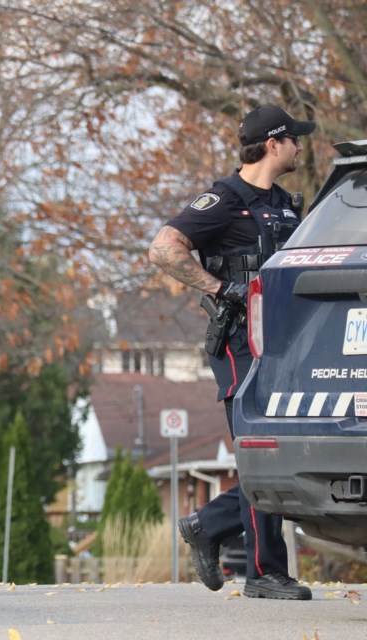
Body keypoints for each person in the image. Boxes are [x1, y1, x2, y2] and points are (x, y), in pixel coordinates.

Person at [148, 104, 315, 600]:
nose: (301, 147)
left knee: (279, 454)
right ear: (272, 144)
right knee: (261, 451)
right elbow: (163, 248)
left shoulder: (287, 204)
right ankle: (263, 574)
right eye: (294, 139)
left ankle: (208, 524)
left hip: (285, 345)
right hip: (243, 343)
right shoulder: (223, 200)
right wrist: (222, 289)